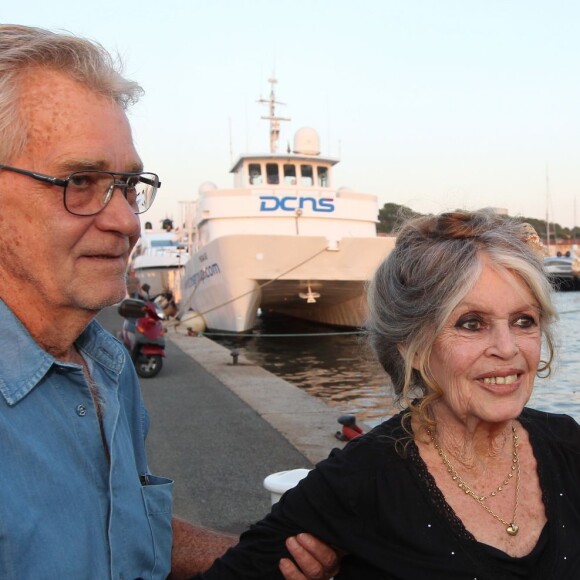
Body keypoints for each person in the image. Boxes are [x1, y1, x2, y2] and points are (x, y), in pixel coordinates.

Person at [0, 24, 338, 580]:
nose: (127, 221)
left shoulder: (106, 366)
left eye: (129, 185)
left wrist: (265, 563)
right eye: (79, 182)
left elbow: (116, 525)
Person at [197, 209, 580, 579]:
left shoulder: (567, 445)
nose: (508, 347)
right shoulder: (361, 479)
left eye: (523, 321)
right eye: (471, 323)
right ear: (410, 344)